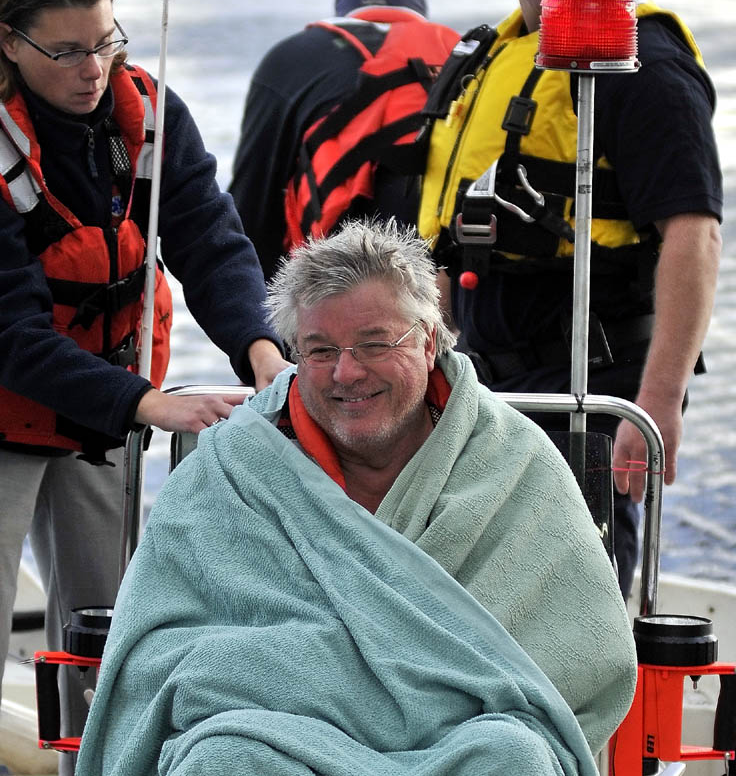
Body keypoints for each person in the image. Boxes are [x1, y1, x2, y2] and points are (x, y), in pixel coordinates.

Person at [75, 220, 636, 776]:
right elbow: (155, 662)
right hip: (275, 740)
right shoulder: (229, 472)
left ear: (430, 339)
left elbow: (582, 657)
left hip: (460, 746)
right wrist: (407, 686)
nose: (346, 372)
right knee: (222, 758)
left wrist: (297, 668)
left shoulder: (515, 462)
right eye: (320, 350)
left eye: (374, 344)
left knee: (515, 757)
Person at [0, 0, 289, 776]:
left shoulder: (154, 116)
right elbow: (8, 335)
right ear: (9, 45)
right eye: (65, 50)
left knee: (107, 634)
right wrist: (150, 406)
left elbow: (212, 241)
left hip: (103, 416)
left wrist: (263, 351)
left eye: (105, 40)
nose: (92, 67)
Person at [417, 0, 723, 598]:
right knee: (472, 589)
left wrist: (655, 409)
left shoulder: (645, 67)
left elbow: (696, 233)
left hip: (589, 387)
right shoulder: (497, 52)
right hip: (490, 382)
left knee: (573, 598)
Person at [228, 0, 458, 280]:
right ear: (420, 16)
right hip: (448, 272)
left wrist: (255, 314)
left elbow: (253, 200)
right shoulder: (464, 54)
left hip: (339, 268)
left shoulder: (291, 57)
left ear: (344, 12)